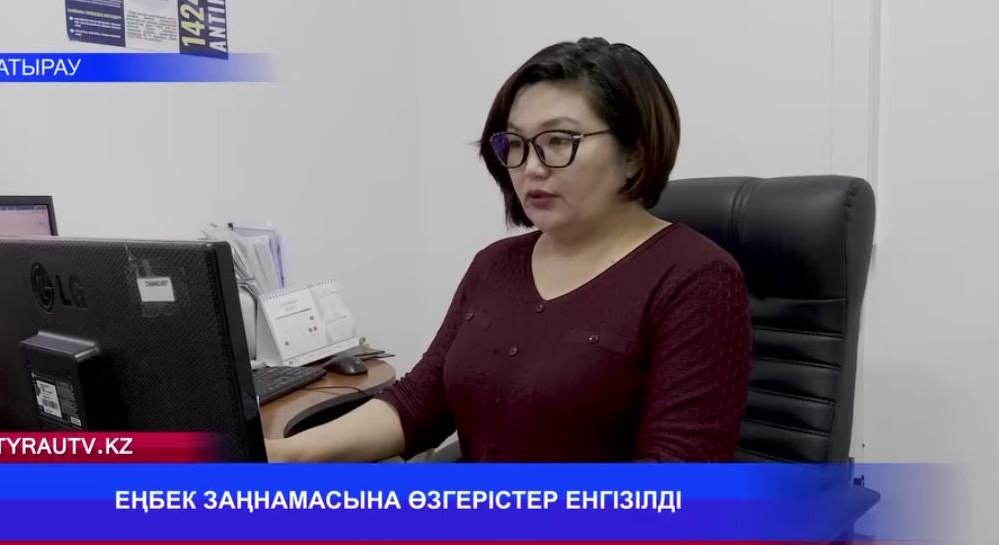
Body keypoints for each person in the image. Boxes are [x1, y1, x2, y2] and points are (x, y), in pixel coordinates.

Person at [267, 37, 751, 462]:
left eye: (558, 141)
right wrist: (291, 454)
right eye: (515, 144)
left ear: (635, 153)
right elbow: (421, 402)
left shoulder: (697, 278)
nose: (530, 167)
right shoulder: (494, 265)